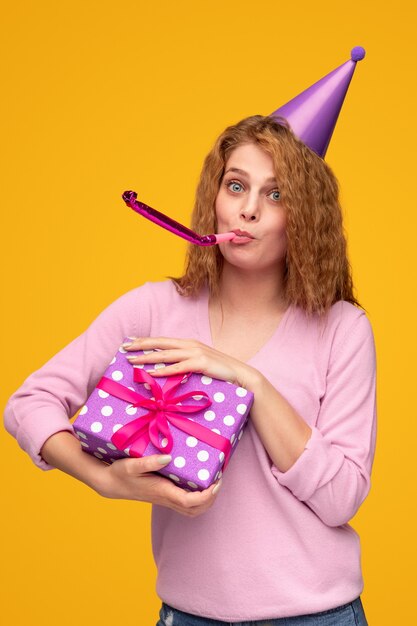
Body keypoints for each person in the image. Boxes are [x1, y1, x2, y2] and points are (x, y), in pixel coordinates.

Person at [4, 115, 375, 626]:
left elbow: (340, 499)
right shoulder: (153, 310)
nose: (247, 210)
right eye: (236, 186)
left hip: (319, 616)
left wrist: (249, 381)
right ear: (214, 198)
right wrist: (104, 480)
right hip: (189, 616)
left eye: (276, 194)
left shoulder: (342, 329)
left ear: (306, 214)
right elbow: (29, 403)